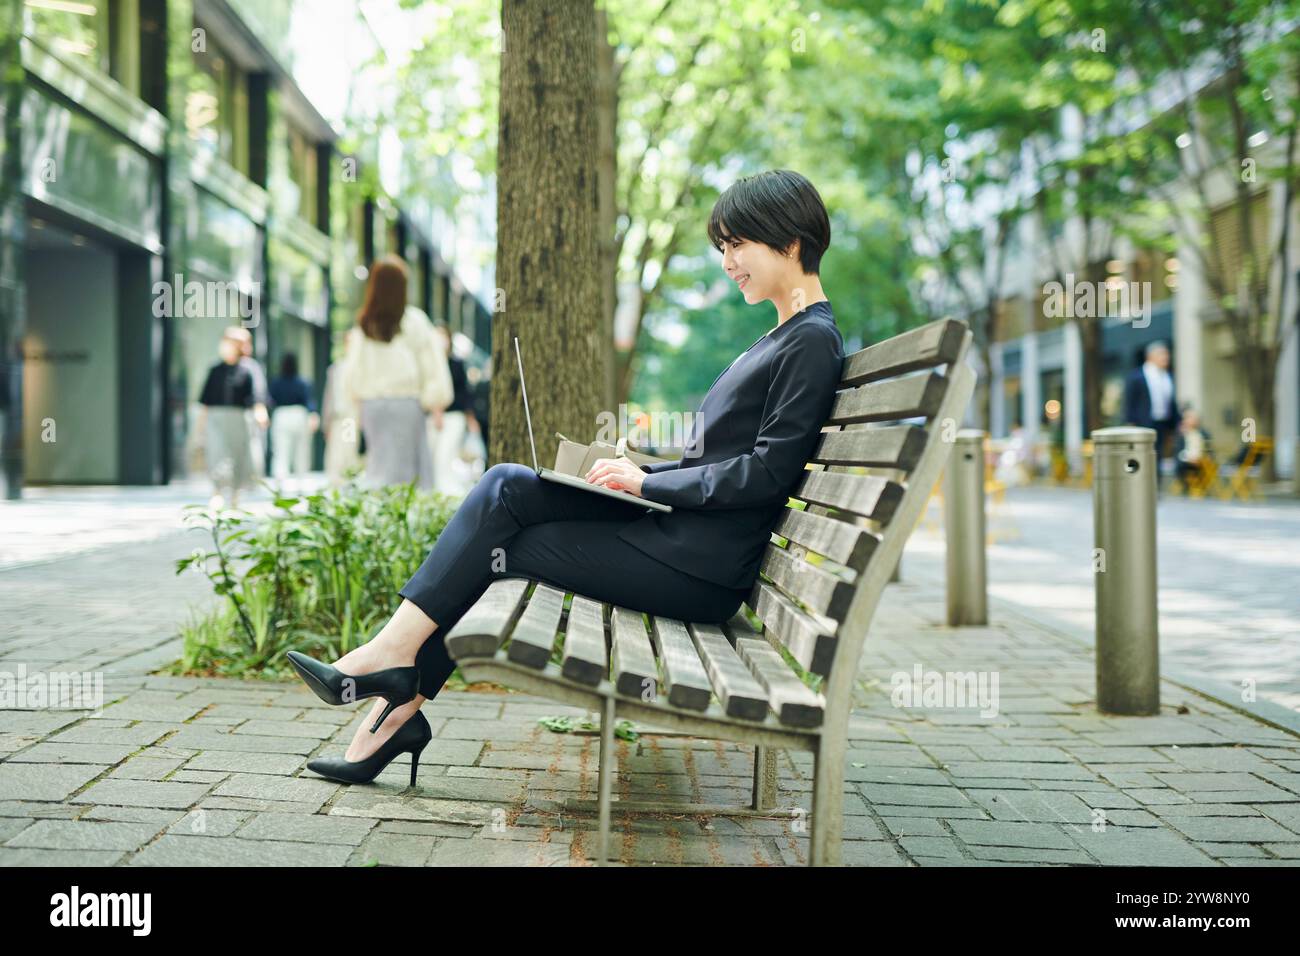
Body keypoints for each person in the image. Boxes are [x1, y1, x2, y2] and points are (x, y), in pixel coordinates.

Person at [286, 169, 845, 784]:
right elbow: (722, 462)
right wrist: (633, 472)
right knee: (509, 486)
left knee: (504, 539)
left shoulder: (810, 342)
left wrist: (647, 485)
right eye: (723, 248)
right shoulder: (782, 337)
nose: (727, 262)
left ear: (790, 243)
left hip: (700, 567)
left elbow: (767, 472)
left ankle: (392, 686)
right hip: (683, 539)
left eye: (737, 244)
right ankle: (392, 695)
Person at [341, 256, 453, 489]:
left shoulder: (364, 326)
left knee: (379, 470)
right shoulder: (414, 322)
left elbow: (352, 375)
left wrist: (357, 406)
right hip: (407, 407)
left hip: (373, 408)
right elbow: (433, 368)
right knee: (412, 477)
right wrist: (432, 400)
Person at [196, 329, 257, 510]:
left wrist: (260, 411)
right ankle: (217, 492)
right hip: (216, 417)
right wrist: (200, 426)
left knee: (238, 456)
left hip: (239, 417)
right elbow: (205, 399)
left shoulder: (249, 368)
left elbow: (257, 395)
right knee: (216, 454)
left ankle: (236, 494)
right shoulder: (215, 369)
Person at [427, 323, 480, 497]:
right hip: (432, 419)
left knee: (445, 456)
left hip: (454, 417)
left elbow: (465, 393)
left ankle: (447, 494)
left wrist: (471, 419)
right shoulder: (429, 366)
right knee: (432, 459)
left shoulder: (456, 364)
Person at [268, 352, 319, 493]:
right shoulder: (303, 382)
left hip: (281, 415)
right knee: (301, 451)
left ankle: (279, 482)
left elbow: (270, 400)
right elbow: (310, 401)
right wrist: (313, 415)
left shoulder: (276, 382)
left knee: (280, 451)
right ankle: (301, 483)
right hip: (299, 415)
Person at [1123, 340, 1178, 463]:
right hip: (1143, 424)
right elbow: (1129, 401)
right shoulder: (1137, 376)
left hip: (1163, 423)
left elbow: (1171, 402)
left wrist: (1176, 423)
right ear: (1151, 356)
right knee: (1143, 457)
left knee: (1158, 456)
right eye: (1162, 354)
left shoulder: (1167, 376)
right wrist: (1131, 423)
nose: (1166, 357)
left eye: (1167, 354)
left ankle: (1155, 481)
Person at [322, 329, 360, 486]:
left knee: (347, 454)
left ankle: (345, 486)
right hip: (338, 417)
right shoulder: (336, 368)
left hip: (350, 418)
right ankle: (336, 487)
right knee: (334, 455)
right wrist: (327, 423)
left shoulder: (360, 368)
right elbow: (329, 397)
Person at [1173, 404, 1213, 492]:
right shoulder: (1181, 435)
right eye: (1186, 418)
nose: (1187, 420)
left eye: (1190, 418)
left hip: (1201, 461)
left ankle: (1200, 488)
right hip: (1186, 462)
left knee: (1208, 465)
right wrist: (1189, 459)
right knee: (1180, 465)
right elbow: (1178, 452)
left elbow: (1210, 451)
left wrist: (1201, 458)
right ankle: (1187, 487)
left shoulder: (1204, 434)